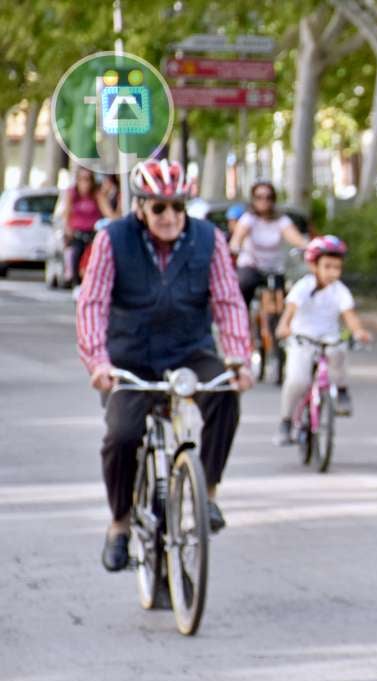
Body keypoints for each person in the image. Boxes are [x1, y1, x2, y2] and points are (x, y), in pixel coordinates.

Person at [76, 159, 254, 572]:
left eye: (178, 206)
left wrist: (240, 358)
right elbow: (92, 303)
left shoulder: (208, 239)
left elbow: (228, 302)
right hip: (129, 357)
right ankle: (119, 524)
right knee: (122, 435)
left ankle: (206, 492)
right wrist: (98, 362)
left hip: (188, 350)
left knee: (225, 391)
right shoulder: (112, 240)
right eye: (159, 208)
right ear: (140, 208)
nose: (170, 216)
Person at [273, 235, 372, 445]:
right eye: (327, 266)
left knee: (338, 352)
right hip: (303, 338)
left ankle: (342, 390)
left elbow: (349, 316)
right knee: (297, 381)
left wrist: (359, 331)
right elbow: (290, 312)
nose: (332, 273)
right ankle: (286, 420)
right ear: (313, 265)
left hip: (329, 338)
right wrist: (284, 326)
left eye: (337, 268)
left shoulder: (339, 291)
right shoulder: (303, 287)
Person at [228, 181, 309, 363]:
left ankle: (281, 335)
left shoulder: (281, 221)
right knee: (244, 285)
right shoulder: (249, 219)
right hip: (252, 265)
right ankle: (241, 326)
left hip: (274, 268)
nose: (264, 201)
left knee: (283, 300)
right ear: (253, 199)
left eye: (268, 197)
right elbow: (238, 238)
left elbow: (294, 237)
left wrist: (309, 246)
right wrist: (234, 246)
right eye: (259, 197)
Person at [60, 167, 117, 286]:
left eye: (88, 180)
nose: (85, 183)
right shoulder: (72, 193)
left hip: (93, 233)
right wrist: (67, 229)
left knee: (95, 260)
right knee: (75, 254)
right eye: (82, 179)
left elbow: (108, 213)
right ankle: (75, 281)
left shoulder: (97, 194)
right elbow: (66, 214)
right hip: (77, 234)